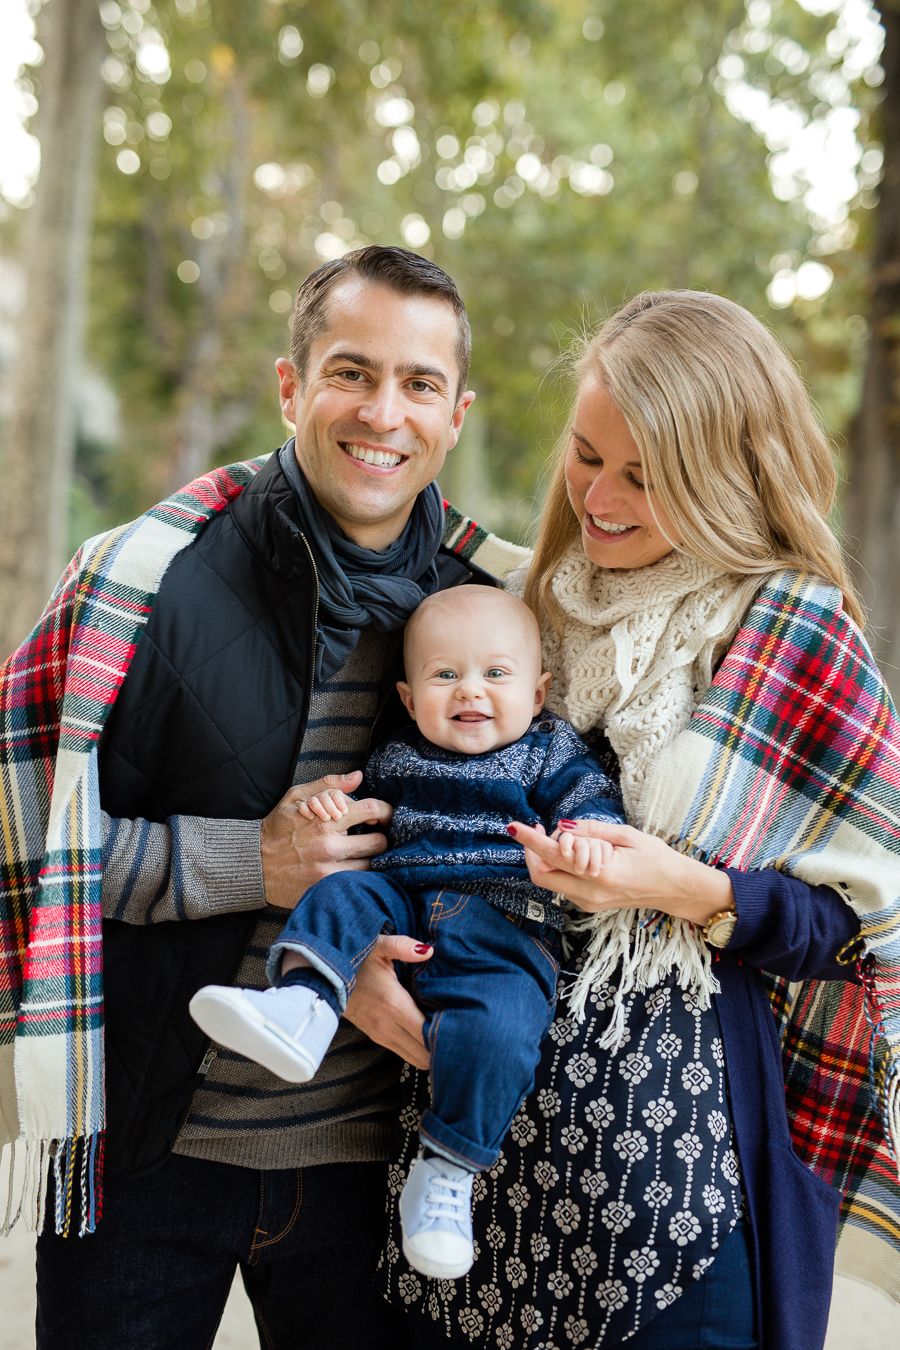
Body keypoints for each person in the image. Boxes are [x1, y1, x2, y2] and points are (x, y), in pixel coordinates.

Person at [0, 246, 529, 1349]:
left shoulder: (495, 621)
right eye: (351, 371)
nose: (384, 412)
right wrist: (258, 864)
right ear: (291, 387)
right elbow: (33, 849)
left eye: (419, 384)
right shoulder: (136, 584)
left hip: (378, 1180)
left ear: (457, 415)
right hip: (144, 1159)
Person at [377, 290, 900, 1350]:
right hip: (469, 1169)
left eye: (646, 477)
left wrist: (677, 886)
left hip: (677, 1202)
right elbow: (409, 813)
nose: (601, 498)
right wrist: (361, 957)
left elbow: (854, 933)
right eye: (586, 456)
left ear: (724, 474)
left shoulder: (791, 629)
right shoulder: (516, 609)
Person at [189, 585, 624, 1280]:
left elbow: (594, 809)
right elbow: (360, 816)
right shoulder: (396, 753)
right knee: (341, 891)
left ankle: (447, 1169)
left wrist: (588, 843)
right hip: (404, 892)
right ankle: (302, 1004)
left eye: (496, 674)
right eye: (445, 675)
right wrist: (331, 803)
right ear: (409, 693)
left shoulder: (550, 751)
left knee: (504, 1030)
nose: (469, 692)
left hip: (503, 923)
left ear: (539, 694)